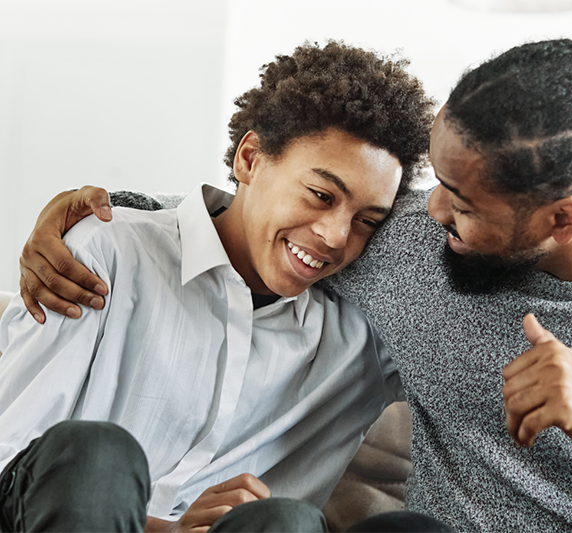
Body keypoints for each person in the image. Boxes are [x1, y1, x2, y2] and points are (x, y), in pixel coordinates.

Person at [12, 33, 572, 532]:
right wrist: (90, 214)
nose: (426, 216)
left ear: (561, 218)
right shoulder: (411, 246)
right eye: (436, 182)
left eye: (461, 202)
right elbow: (248, 226)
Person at [0, 41, 451, 533]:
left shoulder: (366, 338)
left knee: (289, 521)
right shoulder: (106, 252)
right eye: (321, 195)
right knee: (98, 455)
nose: (336, 236)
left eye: (367, 220)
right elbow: (14, 461)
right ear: (250, 159)